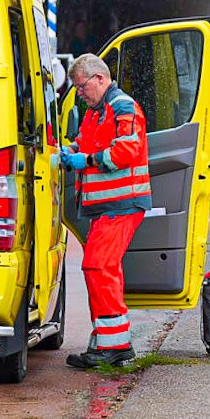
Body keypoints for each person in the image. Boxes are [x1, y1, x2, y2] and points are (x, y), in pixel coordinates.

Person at [60, 54, 153, 369]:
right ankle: (108, 343)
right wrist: (68, 152)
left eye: (82, 87)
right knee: (99, 268)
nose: (80, 94)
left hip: (122, 205)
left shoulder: (123, 107)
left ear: (99, 78)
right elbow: (83, 144)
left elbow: (127, 150)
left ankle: (116, 346)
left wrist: (83, 161)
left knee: (99, 267)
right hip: (108, 207)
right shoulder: (95, 112)